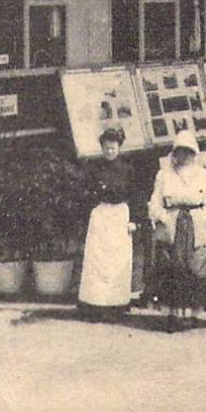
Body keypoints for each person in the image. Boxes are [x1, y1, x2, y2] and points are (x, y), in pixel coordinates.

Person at [147, 133, 206, 331]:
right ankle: (173, 315)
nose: (184, 156)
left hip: (196, 226)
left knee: (197, 267)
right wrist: (164, 217)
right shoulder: (164, 175)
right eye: (180, 151)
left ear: (194, 153)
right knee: (171, 269)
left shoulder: (205, 176)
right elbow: (155, 203)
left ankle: (196, 314)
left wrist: (200, 220)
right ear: (174, 153)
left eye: (188, 151)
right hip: (172, 225)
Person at [77, 127, 135, 318]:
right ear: (102, 148)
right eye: (106, 148)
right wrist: (93, 206)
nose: (110, 151)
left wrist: (135, 220)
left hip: (120, 216)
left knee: (117, 260)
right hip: (101, 214)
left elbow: (137, 197)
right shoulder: (95, 169)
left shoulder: (128, 170)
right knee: (98, 260)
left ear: (119, 148)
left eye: (113, 148)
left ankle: (116, 305)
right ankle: (96, 305)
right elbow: (86, 192)